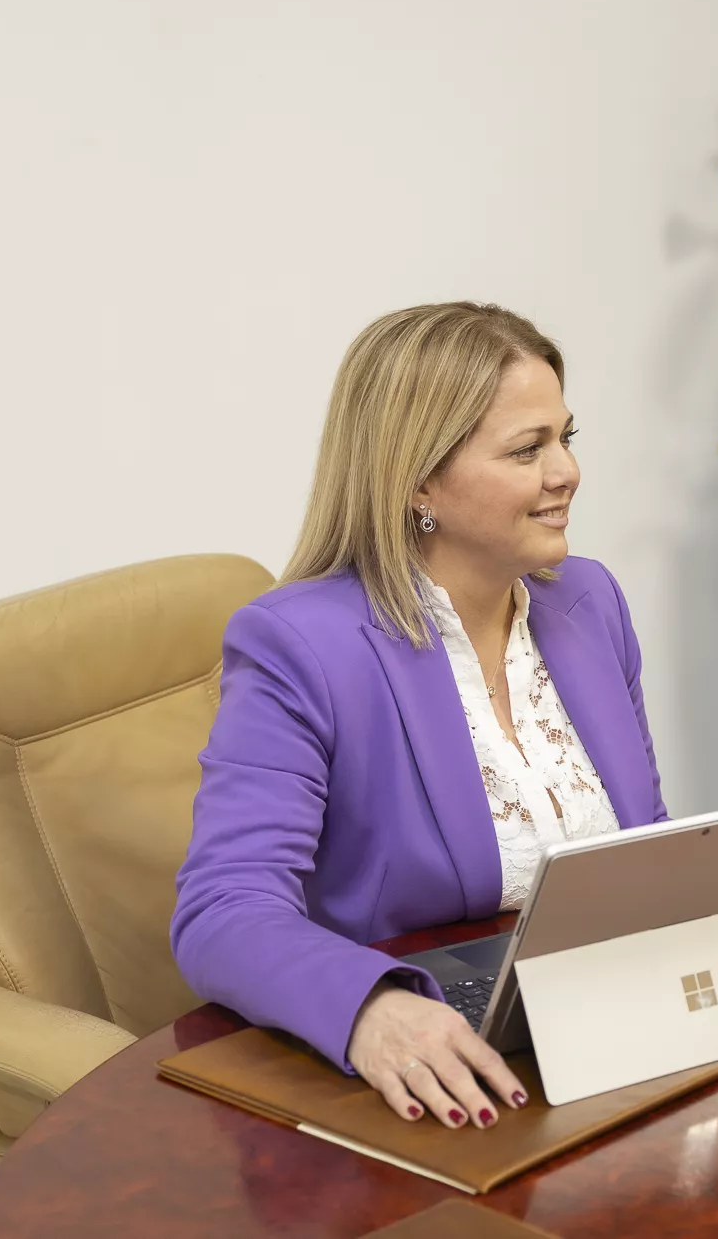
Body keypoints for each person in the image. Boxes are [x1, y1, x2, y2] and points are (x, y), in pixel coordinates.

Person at [172, 302, 667, 1128]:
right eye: (526, 449)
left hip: (601, 1026)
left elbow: (644, 840)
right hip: (425, 1073)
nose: (567, 472)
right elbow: (223, 910)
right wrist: (369, 1009)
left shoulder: (590, 600)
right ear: (418, 481)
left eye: (566, 438)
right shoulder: (301, 644)